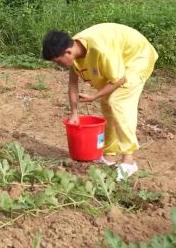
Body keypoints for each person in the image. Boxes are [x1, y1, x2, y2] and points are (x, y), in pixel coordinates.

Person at [41, 23, 158, 181]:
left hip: (137, 57)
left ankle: (128, 161)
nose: (58, 65)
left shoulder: (100, 49)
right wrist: (74, 113)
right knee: (107, 105)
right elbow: (73, 84)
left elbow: (119, 79)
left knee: (118, 101)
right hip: (118, 59)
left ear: (67, 52)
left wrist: (94, 96)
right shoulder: (74, 50)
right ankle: (108, 157)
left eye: (58, 61)